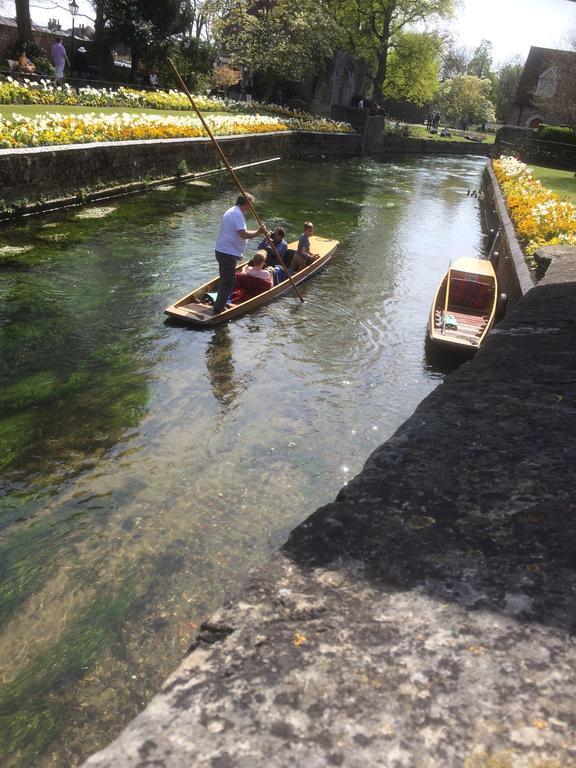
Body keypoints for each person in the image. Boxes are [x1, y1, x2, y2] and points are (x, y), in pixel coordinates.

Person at [213, 194, 265, 314]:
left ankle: (221, 303)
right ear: (247, 203)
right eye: (250, 205)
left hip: (223, 250)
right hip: (227, 252)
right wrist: (258, 232)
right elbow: (243, 234)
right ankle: (218, 309)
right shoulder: (237, 214)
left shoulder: (233, 211)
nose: (250, 208)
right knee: (228, 282)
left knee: (225, 280)